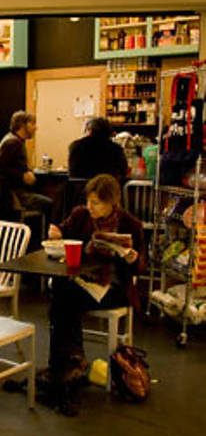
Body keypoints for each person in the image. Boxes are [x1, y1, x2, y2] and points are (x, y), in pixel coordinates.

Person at [43, 174, 144, 416]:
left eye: (96, 203)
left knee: (62, 298)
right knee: (62, 294)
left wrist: (133, 258)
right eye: (89, 201)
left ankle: (65, 366)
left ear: (112, 203)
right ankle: (69, 364)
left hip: (115, 288)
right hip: (84, 282)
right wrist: (56, 232)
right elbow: (62, 231)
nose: (90, 207)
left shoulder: (130, 224)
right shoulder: (81, 215)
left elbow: (141, 268)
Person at [0, 110, 52, 212]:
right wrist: (22, 176)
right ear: (23, 125)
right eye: (32, 123)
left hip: (12, 193)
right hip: (14, 196)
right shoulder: (13, 143)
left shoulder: (12, 140)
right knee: (49, 204)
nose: (35, 127)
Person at [68, 117, 128, 182]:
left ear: (89, 130)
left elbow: (72, 173)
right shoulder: (116, 149)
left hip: (81, 188)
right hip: (107, 188)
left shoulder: (76, 146)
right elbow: (123, 171)